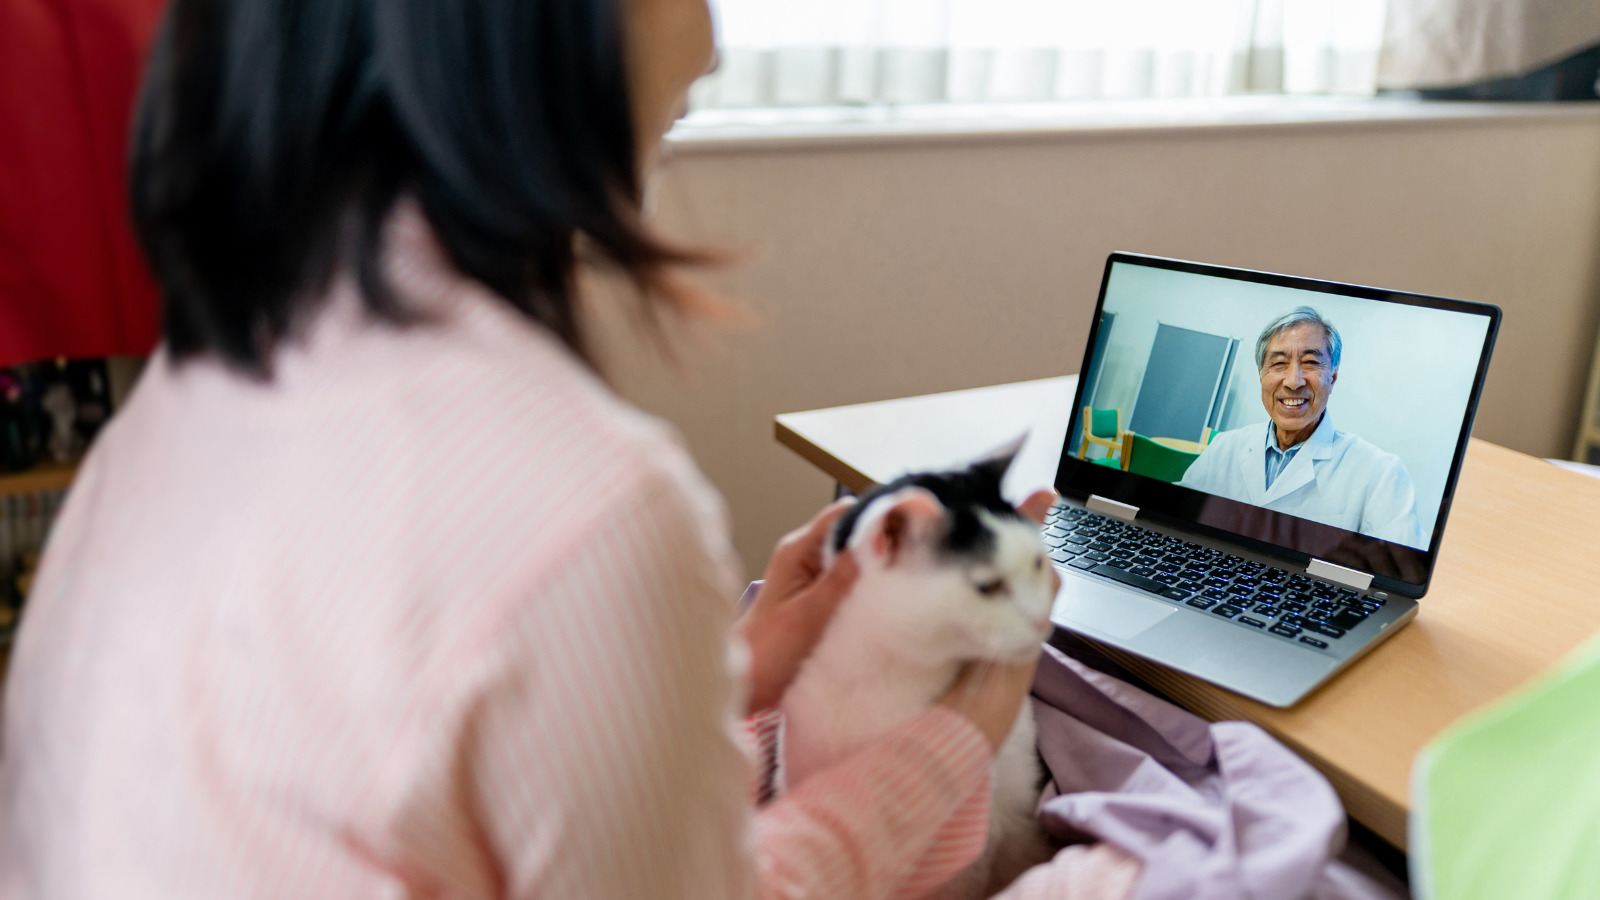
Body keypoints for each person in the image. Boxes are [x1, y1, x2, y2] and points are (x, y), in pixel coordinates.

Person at [0, 0, 1141, 897]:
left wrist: (732, 670)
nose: (714, 28)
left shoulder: (188, 404)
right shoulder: (585, 502)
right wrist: (957, 741)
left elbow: (425, 755)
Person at [1178, 307, 1424, 548]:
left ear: (1333, 377)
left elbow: (1397, 574)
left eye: (1310, 362)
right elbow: (1173, 523)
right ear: (1261, 375)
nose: (1294, 381)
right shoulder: (1224, 447)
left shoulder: (1380, 474)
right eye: (1279, 364)